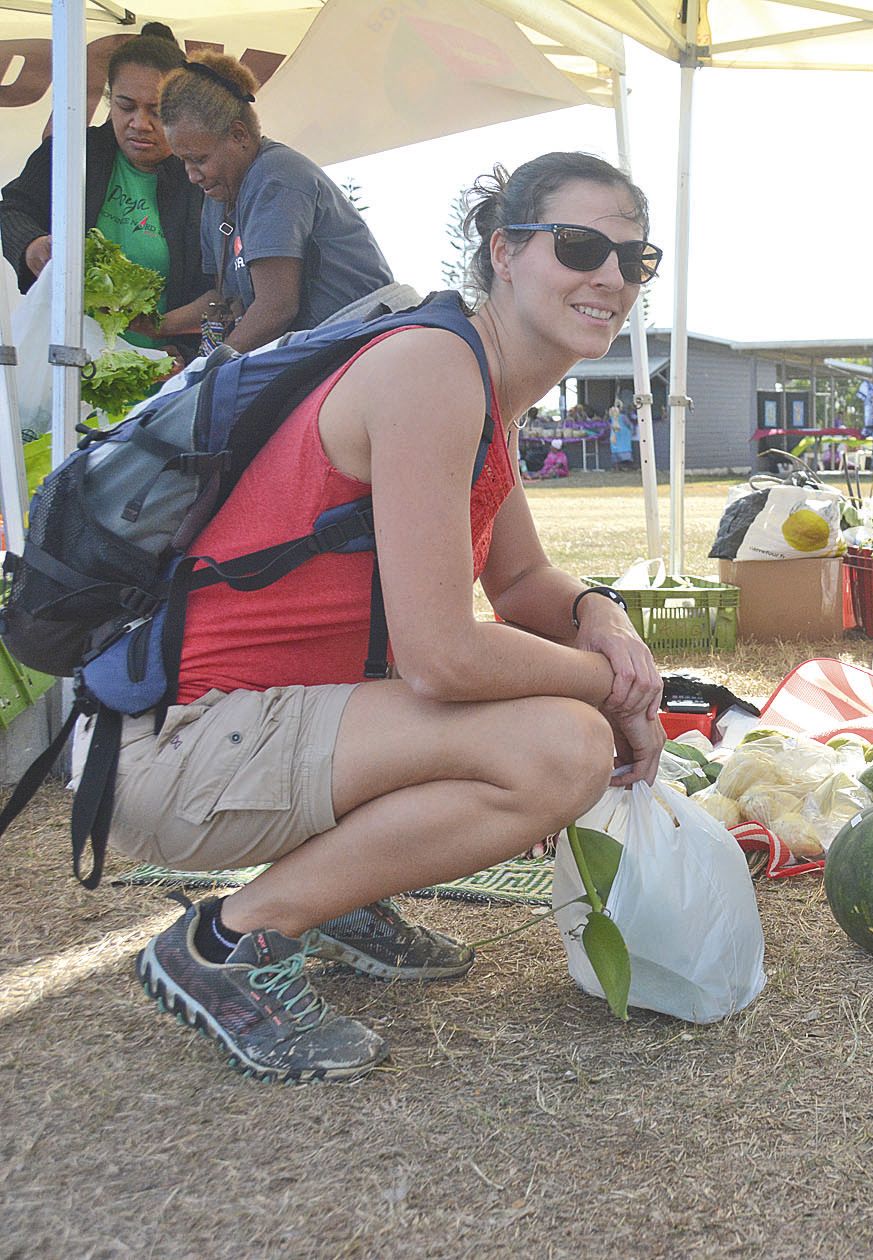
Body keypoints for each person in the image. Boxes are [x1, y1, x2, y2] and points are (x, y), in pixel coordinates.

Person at [119, 152, 668, 1080]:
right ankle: (227, 943)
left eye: (634, 258)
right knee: (562, 747)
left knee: (558, 717)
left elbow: (524, 580)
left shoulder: (480, 384)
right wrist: (612, 688)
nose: (610, 277)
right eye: (579, 247)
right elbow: (441, 657)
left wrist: (602, 619)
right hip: (185, 744)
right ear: (504, 251)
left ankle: (336, 894)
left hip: (264, 724)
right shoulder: (432, 370)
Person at [157, 52, 396, 352]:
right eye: (184, 161)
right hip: (325, 349)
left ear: (239, 135)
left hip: (366, 343)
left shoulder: (276, 177)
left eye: (199, 159)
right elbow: (225, 300)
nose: (192, 175)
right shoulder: (219, 197)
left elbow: (276, 308)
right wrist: (157, 326)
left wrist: (208, 371)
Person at [0, 22, 211, 352]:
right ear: (109, 99)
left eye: (156, 112)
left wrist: (183, 353)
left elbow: (218, 288)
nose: (139, 123)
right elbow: (14, 207)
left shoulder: (203, 181)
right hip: (64, 357)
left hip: (158, 368)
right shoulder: (70, 151)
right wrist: (31, 245)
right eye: (126, 106)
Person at [609, 400, 637, 471]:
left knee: (615, 448)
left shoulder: (612, 416)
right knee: (624, 447)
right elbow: (629, 424)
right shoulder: (623, 417)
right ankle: (626, 465)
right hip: (623, 434)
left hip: (615, 433)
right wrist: (633, 430)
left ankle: (617, 466)